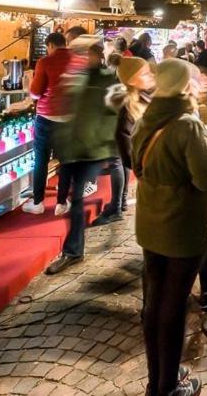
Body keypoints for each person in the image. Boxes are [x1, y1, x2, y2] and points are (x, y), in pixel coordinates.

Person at [135, 59, 207, 396]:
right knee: (173, 306)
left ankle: (157, 379)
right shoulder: (187, 124)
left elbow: (137, 165)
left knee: (154, 304)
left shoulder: (146, 119)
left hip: (150, 223)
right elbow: (206, 177)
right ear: (184, 85)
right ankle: (167, 388)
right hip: (182, 227)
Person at [46, 41, 120, 274]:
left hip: (93, 149)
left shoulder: (109, 80)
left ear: (98, 56)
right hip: (73, 148)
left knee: (76, 198)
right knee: (74, 198)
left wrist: (104, 144)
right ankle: (74, 250)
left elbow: (112, 115)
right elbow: (68, 111)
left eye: (86, 54)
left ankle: (73, 250)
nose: (82, 58)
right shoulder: (77, 78)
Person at [25, 32, 74, 215]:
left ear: (51, 45)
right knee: (66, 161)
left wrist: (30, 83)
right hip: (69, 119)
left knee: (41, 160)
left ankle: (38, 202)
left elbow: (36, 93)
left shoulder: (45, 61)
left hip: (46, 118)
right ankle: (61, 203)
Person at [113, 57, 155, 215]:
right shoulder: (127, 110)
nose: (150, 76)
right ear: (131, 80)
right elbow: (127, 152)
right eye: (144, 74)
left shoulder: (147, 97)